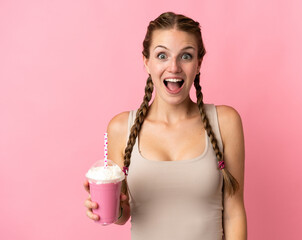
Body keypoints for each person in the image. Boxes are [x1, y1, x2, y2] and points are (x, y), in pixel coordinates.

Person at [84, 11, 247, 240]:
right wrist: (109, 207)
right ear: (146, 61)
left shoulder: (225, 122)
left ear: (199, 63)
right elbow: (123, 215)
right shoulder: (121, 128)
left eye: (186, 56)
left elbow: (234, 213)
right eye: (162, 55)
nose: (174, 67)